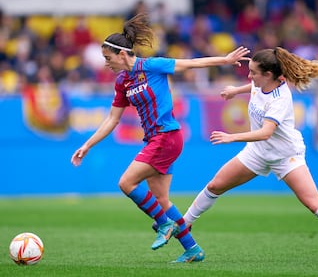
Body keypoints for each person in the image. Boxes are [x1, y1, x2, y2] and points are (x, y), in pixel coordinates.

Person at [70, 13, 250, 263]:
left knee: (126, 183)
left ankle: (164, 224)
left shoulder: (152, 66)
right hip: (155, 139)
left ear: (122, 54)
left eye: (107, 58)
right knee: (162, 199)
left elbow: (191, 64)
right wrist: (87, 145)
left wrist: (226, 59)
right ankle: (192, 249)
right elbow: (112, 119)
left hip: (167, 137)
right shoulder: (122, 81)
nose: (105, 63)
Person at [181, 47, 318, 262]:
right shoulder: (262, 82)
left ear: (268, 75)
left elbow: (266, 132)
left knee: (314, 204)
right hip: (257, 152)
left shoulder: (280, 99)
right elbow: (255, 88)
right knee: (215, 186)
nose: (249, 75)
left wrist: (231, 137)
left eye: (253, 72)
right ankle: (184, 224)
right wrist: (236, 91)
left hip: (285, 156)